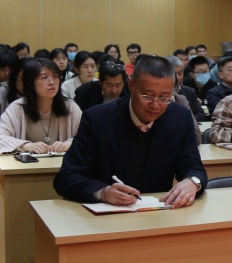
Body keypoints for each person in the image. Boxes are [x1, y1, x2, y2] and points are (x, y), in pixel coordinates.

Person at [53, 55, 207, 208]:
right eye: (147, 96)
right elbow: (66, 177)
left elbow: (194, 168)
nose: (155, 105)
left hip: (157, 213)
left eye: (164, 97)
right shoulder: (97, 119)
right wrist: (103, 192)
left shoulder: (180, 118)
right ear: (131, 85)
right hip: (107, 215)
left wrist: (192, 182)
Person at [0, 58, 82, 154]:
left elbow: (87, 137)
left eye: (55, 76)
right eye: (44, 77)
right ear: (31, 83)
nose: (52, 82)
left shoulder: (70, 107)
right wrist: (25, 145)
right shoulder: (17, 108)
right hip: (27, 163)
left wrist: (69, 144)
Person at [165, 55, 205, 123]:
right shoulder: (159, 93)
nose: (177, 78)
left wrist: (185, 119)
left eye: (180, 73)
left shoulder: (189, 92)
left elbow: (201, 114)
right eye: (173, 74)